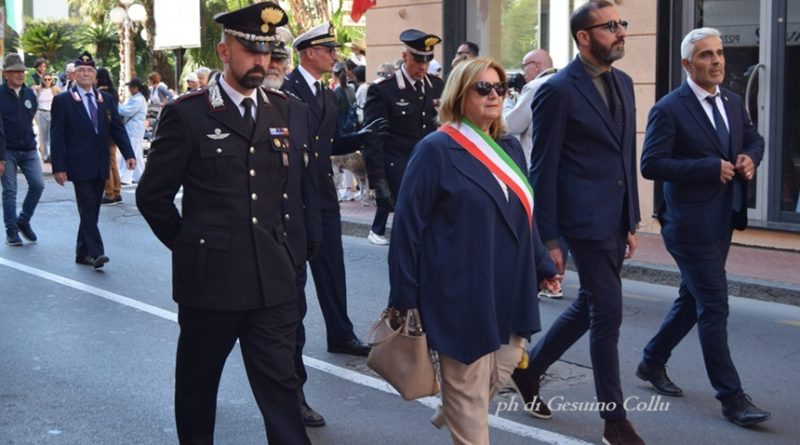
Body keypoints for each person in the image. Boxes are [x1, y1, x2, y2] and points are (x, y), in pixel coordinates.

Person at [135, 3, 312, 444]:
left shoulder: (284, 110)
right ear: (223, 51)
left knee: (282, 390)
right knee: (198, 387)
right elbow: (152, 196)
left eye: (267, 53)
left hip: (271, 281)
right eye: (250, 51)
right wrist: (192, 245)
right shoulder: (189, 113)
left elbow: (291, 195)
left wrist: (294, 257)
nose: (261, 62)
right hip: (210, 283)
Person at [389, 57, 560, 445]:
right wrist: (405, 296)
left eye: (500, 88)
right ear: (460, 94)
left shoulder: (511, 148)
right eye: (483, 88)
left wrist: (542, 262)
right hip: (459, 292)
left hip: (511, 289)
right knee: (470, 403)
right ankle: (460, 405)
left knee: (500, 368)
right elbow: (407, 230)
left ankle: (456, 403)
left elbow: (524, 217)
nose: (494, 96)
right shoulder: (436, 150)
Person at [514, 2, 645, 444]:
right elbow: (543, 169)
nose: (621, 32)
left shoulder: (624, 83)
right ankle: (614, 420)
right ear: (584, 37)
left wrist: (632, 219)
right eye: (611, 26)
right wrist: (548, 236)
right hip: (581, 222)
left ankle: (528, 369)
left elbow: (624, 155)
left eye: (621, 24)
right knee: (608, 313)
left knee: (591, 303)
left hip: (614, 219)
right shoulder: (558, 89)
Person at [637, 27, 770, 428]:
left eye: (719, 54)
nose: (716, 61)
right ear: (686, 64)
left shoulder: (731, 101)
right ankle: (732, 399)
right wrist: (707, 168)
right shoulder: (669, 108)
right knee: (714, 304)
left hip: (723, 218)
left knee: (693, 300)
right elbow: (651, 164)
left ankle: (651, 362)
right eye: (705, 56)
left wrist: (749, 157)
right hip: (688, 224)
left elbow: (755, 139)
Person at [283, 22, 387, 358]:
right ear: (309, 52)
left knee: (332, 269)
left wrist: (361, 136)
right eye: (329, 50)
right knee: (294, 278)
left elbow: (330, 142)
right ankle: (287, 346)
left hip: (323, 194)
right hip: (294, 196)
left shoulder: (324, 93)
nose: (335, 56)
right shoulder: (287, 90)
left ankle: (340, 334)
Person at [263, 30, 324, 428]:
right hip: (244, 244)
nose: (272, 69)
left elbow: (310, 179)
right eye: (266, 62)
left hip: (290, 239)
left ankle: (295, 397)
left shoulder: (296, 111)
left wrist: (313, 233)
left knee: (292, 328)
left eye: (277, 63)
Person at [50, 51, 136, 269]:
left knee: (93, 209)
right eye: (81, 70)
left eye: (90, 70)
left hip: (100, 163)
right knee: (87, 208)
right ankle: (96, 252)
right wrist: (58, 167)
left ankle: (81, 252)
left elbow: (117, 128)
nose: (86, 73)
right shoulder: (63, 100)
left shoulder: (105, 99)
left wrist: (129, 154)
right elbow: (57, 136)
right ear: (74, 75)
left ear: (95, 75)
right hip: (78, 164)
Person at [362, 29, 444, 246]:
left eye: (428, 60)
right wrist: (378, 180)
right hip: (399, 169)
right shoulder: (383, 90)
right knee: (409, 234)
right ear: (405, 56)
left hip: (432, 168)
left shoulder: (437, 86)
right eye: (418, 59)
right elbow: (373, 139)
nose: (422, 66)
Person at [502, 49, 564, 300]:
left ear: (536, 66)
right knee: (556, 224)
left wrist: (506, 101)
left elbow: (511, 124)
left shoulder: (536, 86)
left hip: (535, 163)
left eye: (525, 66)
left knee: (537, 225)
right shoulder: (564, 82)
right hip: (563, 165)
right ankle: (556, 275)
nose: (522, 72)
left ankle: (547, 276)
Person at [1, 54, 44, 246]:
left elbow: (30, 116)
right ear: (5, 74)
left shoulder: (29, 94)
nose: (20, 74)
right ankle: (11, 231)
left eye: (22, 71)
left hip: (28, 149)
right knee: (10, 191)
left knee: (38, 184)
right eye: (15, 71)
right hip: (6, 150)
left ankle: (23, 220)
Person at [95, 68, 123, 205]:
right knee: (113, 163)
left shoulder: (100, 94)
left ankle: (109, 193)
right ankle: (117, 191)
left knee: (106, 163)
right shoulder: (113, 92)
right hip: (113, 132)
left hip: (105, 132)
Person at [116, 77, 148, 190]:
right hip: (133, 128)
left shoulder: (138, 100)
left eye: (131, 87)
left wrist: (116, 104)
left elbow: (126, 111)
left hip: (133, 129)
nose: (129, 89)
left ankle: (125, 177)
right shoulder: (135, 98)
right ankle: (140, 175)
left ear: (135, 88)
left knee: (131, 151)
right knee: (137, 153)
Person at [33, 72, 61, 163]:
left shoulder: (55, 89)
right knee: (42, 135)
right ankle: (44, 156)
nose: (47, 81)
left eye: (49, 79)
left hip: (52, 113)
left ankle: (50, 154)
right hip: (41, 112)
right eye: (45, 79)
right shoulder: (39, 89)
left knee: (51, 134)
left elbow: (62, 96)